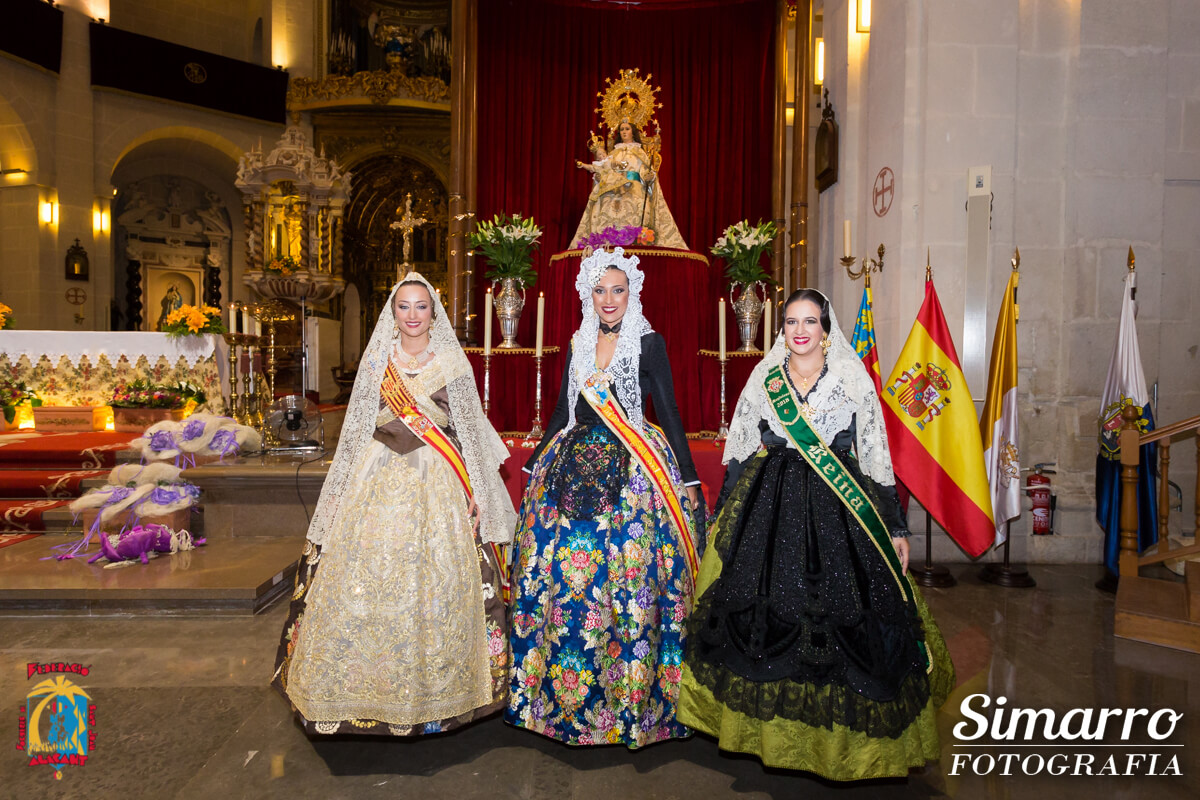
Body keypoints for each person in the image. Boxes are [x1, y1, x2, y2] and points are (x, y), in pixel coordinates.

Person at [677, 288, 954, 780]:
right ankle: (771, 738)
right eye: (791, 322)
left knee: (847, 619)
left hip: (840, 511)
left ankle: (839, 747)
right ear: (781, 330)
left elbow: (875, 457)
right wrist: (724, 515)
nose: (800, 330)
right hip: (771, 508)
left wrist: (894, 526)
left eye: (810, 321)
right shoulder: (765, 378)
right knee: (767, 619)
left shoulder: (852, 377)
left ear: (826, 329)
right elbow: (739, 454)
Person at [272, 272, 517, 736]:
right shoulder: (376, 361)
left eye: (421, 306)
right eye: (404, 306)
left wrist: (481, 494)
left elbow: (469, 431)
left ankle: (440, 691)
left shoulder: (452, 363)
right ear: (393, 312)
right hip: (376, 474)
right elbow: (355, 428)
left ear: (433, 312)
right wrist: (339, 491)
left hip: (437, 477)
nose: (412, 315)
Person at [507, 247, 703, 748]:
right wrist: (533, 464)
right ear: (587, 295)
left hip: (634, 466)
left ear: (631, 293)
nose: (609, 299)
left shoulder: (650, 343)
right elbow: (562, 411)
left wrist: (688, 478)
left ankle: (633, 704)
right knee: (559, 576)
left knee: (629, 576)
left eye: (618, 290)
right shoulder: (577, 341)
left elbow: (670, 412)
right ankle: (556, 701)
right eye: (600, 290)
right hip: (572, 461)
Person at [570, 121, 687, 250]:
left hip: (634, 187)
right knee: (604, 201)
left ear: (633, 132)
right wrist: (599, 178)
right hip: (612, 187)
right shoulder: (613, 153)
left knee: (635, 202)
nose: (624, 132)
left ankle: (634, 241)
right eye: (621, 129)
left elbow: (645, 171)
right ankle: (605, 242)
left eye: (627, 129)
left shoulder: (640, 152)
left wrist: (649, 177)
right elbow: (605, 170)